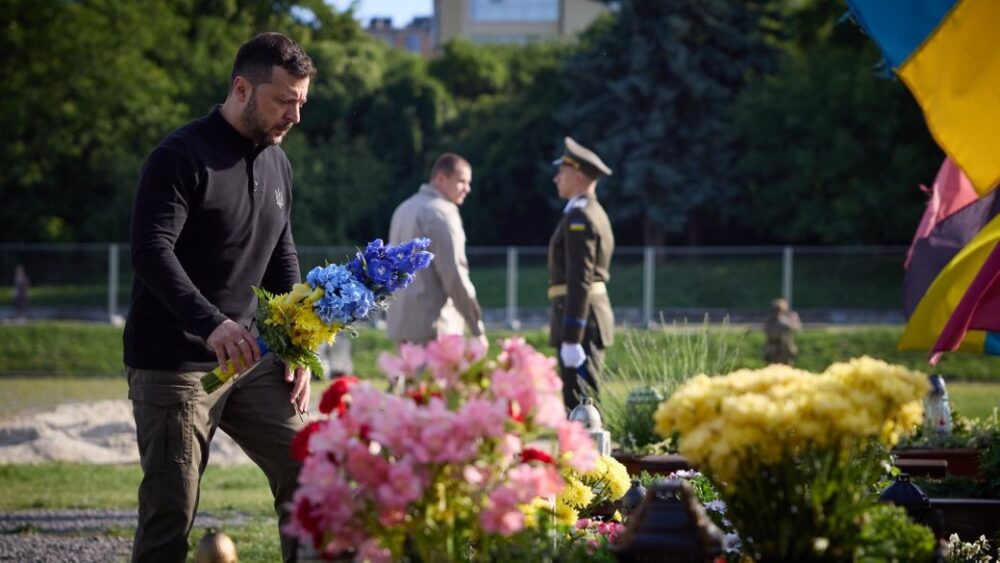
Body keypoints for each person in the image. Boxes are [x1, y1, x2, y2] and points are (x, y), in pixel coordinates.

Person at [123, 32, 314, 563]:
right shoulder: (180, 155)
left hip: (251, 358)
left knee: (312, 472)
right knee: (170, 511)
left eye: (301, 102)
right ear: (241, 89)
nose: (294, 117)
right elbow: (150, 250)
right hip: (176, 361)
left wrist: (296, 346)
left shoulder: (279, 164)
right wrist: (211, 322)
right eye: (283, 101)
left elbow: (282, 257)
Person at [386, 153, 487, 347]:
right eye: (461, 181)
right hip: (433, 328)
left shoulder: (403, 208)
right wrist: (476, 327)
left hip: (401, 326)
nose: (468, 188)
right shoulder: (441, 213)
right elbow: (454, 275)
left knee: (409, 378)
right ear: (441, 178)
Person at [548, 137, 615, 410]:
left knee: (582, 409)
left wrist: (572, 337)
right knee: (581, 406)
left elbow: (580, 279)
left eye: (562, 173)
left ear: (577, 176)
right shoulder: (583, 212)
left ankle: (589, 455)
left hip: (582, 322)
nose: (556, 179)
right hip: (584, 318)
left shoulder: (581, 217)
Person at [763, 297, 801, 365]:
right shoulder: (784, 321)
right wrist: (795, 320)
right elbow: (796, 328)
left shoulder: (768, 320)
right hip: (784, 351)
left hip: (771, 350)